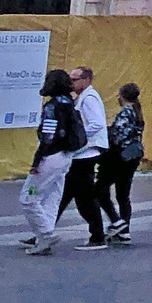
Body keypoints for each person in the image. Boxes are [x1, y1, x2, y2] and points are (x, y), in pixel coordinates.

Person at [18, 67, 84, 255]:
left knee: (28, 198)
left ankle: (45, 234)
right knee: (52, 197)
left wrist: (37, 161)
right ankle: (44, 238)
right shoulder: (69, 103)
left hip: (50, 157)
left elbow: (48, 136)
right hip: (65, 156)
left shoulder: (52, 107)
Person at [56, 65, 111, 248]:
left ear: (86, 80)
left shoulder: (89, 98)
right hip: (81, 154)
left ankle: (97, 236)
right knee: (63, 196)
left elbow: (96, 124)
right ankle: (43, 231)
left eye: (74, 79)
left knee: (83, 198)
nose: (71, 82)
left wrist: (77, 137)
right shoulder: (82, 97)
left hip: (86, 154)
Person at [105, 82, 145, 244]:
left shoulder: (125, 113)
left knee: (101, 189)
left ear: (122, 96)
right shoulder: (138, 112)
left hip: (121, 157)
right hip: (134, 156)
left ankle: (118, 223)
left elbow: (118, 136)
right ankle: (125, 230)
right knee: (124, 195)